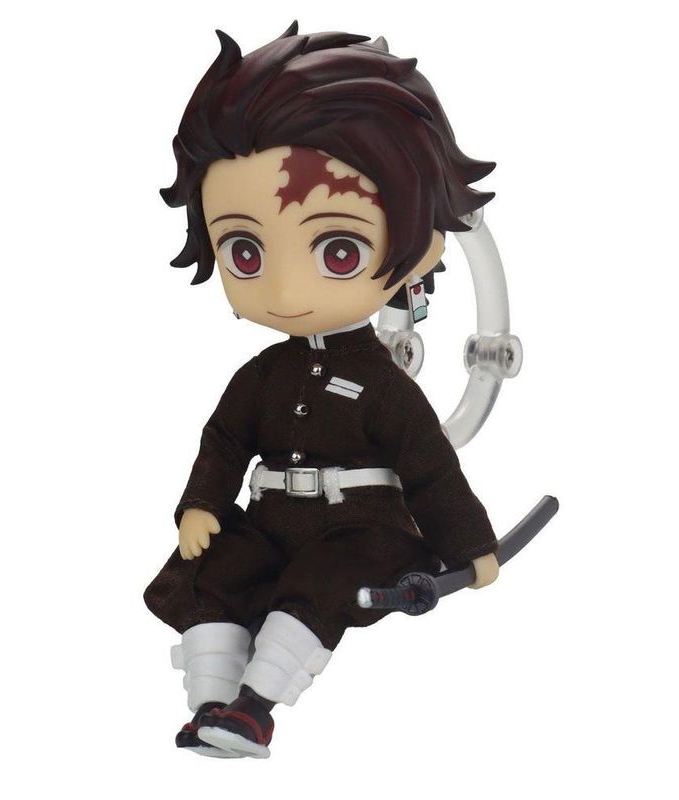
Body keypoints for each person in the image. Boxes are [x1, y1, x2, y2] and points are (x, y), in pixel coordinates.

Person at [144, 22, 500, 759]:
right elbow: (225, 441)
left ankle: (256, 708)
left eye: (338, 250)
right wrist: (202, 504)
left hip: (358, 530)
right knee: (213, 572)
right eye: (245, 251)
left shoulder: (385, 388)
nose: (283, 290)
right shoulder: (261, 375)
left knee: (323, 580)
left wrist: (470, 546)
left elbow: (430, 467)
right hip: (269, 519)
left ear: (423, 248)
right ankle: (210, 702)